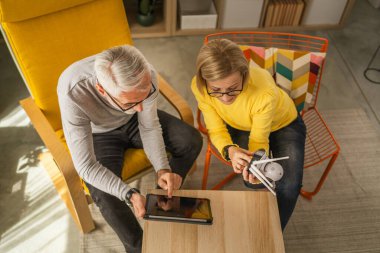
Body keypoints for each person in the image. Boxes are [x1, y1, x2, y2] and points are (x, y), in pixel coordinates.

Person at [57, 45, 202, 252]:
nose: (141, 106)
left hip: (135, 123)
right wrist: (129, 194)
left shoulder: (145, 75)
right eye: (131, 101)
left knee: (191, 140)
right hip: (97, 134)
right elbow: (86, 167)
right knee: (103, 192)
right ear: (101, 90)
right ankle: (138, 246)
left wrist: (163, 168)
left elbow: (149, 125)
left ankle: (163, 198)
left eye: (144, 96)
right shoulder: (74, 90)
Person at [191, 39, 306, 230]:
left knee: (290, 186)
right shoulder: (199, 86)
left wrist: (257, 163)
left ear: (245, 74)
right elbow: (217, 130)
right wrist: (231, 150)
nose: (226, 98)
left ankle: (274, 235)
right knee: (253, 182)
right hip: (241, 125)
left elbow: (259, 139)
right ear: (204, 81)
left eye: (233, 88)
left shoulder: (263, 91)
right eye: (216, 90)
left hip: (285, 124)